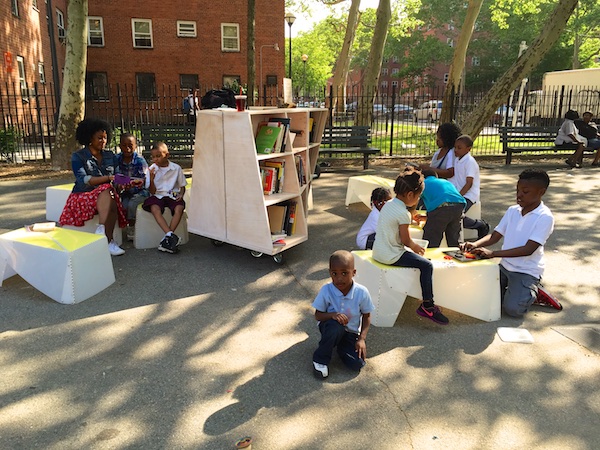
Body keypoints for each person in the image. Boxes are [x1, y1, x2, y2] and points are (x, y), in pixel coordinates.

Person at [461, 169, 554, 318]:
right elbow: (494, 236)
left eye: (525, 192)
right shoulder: (513, 211)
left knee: (513, 310)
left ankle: (532, 292)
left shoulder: (544, 217)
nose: (519, 195)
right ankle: (517, 292)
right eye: (517, 190)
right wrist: (475, 244)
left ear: (541, 192)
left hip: (526, 270)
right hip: (505, 266)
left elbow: (528, 249)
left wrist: (493, 254)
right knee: (479, 297)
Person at [372, 167, 449, 325]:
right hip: (391, 256)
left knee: (419, 261)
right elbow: (406, 240)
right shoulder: (403, 213)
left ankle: (426, 302)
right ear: (409, 195)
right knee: (427, 265)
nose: (418, 199)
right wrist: (416, 247)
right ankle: (427, 305)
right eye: (418, 196)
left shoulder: (389, 205)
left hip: (378, 251)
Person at [59, 118, 127, 256]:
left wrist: (126, 183)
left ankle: (107, 239)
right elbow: (84, 180)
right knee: (108, 190)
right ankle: (107, 238)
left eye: (105, 138)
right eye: (99, 138)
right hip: (83, 196)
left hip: (106, 195)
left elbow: (118, 175)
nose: (103, 141)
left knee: (111, 194)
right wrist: (108, 178)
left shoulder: (110, 156)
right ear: (89, 137)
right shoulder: (78, 156)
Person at [311, 250, 375, 379]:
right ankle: (320, 359)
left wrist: (361, 339)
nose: (339, 278)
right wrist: (332, 315)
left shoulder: (361, 292)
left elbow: (367, 316)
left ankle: (340, 346)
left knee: (357, 364)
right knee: (336, 328)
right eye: (335, 273)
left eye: (345, 273)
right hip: (330, 327)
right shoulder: (326, 290)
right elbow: (318, 315)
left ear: (354, 272)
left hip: (351, 333)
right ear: (330, 273)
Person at [142, 141, 187, 253]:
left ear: (167, 155)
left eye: (158, 156)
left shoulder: (176, 168)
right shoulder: (152, 169)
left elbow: (182, 186)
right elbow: (152, 191)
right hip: (158, 195)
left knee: (179, 208)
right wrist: (151, 179)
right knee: (154, 208)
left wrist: (181, 195)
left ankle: (168, 238)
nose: (155, 159)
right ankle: (170, 235)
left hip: (172, 195)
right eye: (153, 157)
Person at [451, 134, 489, 239]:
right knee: (449, 213)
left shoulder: (470, 162)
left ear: (468, 149)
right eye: (455, 147)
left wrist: (459, 196)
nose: (456, 150)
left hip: (469, 195)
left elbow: (469, 183)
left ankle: (480, 225)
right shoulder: (457, 160)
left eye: (459, 148)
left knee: (455, 215)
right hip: (459, 193)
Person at [115, 133, 149, 240]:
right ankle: (124, 225)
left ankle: (132, 226)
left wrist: (136, 183)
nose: (127, 148)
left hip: (141, 191)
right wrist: (120, 185)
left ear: (135, 146)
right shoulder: (117, 159)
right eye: (124, 145)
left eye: (130, 145)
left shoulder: (140, 160)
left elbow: (145, 179)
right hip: (125, 191)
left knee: (132, 204)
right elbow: (115, 177)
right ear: (120, 146)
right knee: (123, 205)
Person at [420, 169, 466, 248]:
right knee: (453, 238)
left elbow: (415, 201)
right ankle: (456, 255)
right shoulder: (445, 182)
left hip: (441, 206)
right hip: (459, 205)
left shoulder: (423, 183)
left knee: (432, 238)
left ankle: (430, 258)